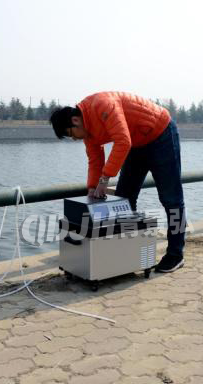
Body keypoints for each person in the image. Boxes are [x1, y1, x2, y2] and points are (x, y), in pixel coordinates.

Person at [49, 91, 186, 273]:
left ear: (75, 120)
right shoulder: (88, 133)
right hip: (136, 143)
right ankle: (128, 254)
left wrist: (105, 179)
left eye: (70, 134)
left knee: (172, 199)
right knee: (125, 198)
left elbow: (122, 141)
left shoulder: (103, 104)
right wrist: (92, 188)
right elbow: (95, 160)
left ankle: (176, 255)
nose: (74, 138)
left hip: (161, 135)